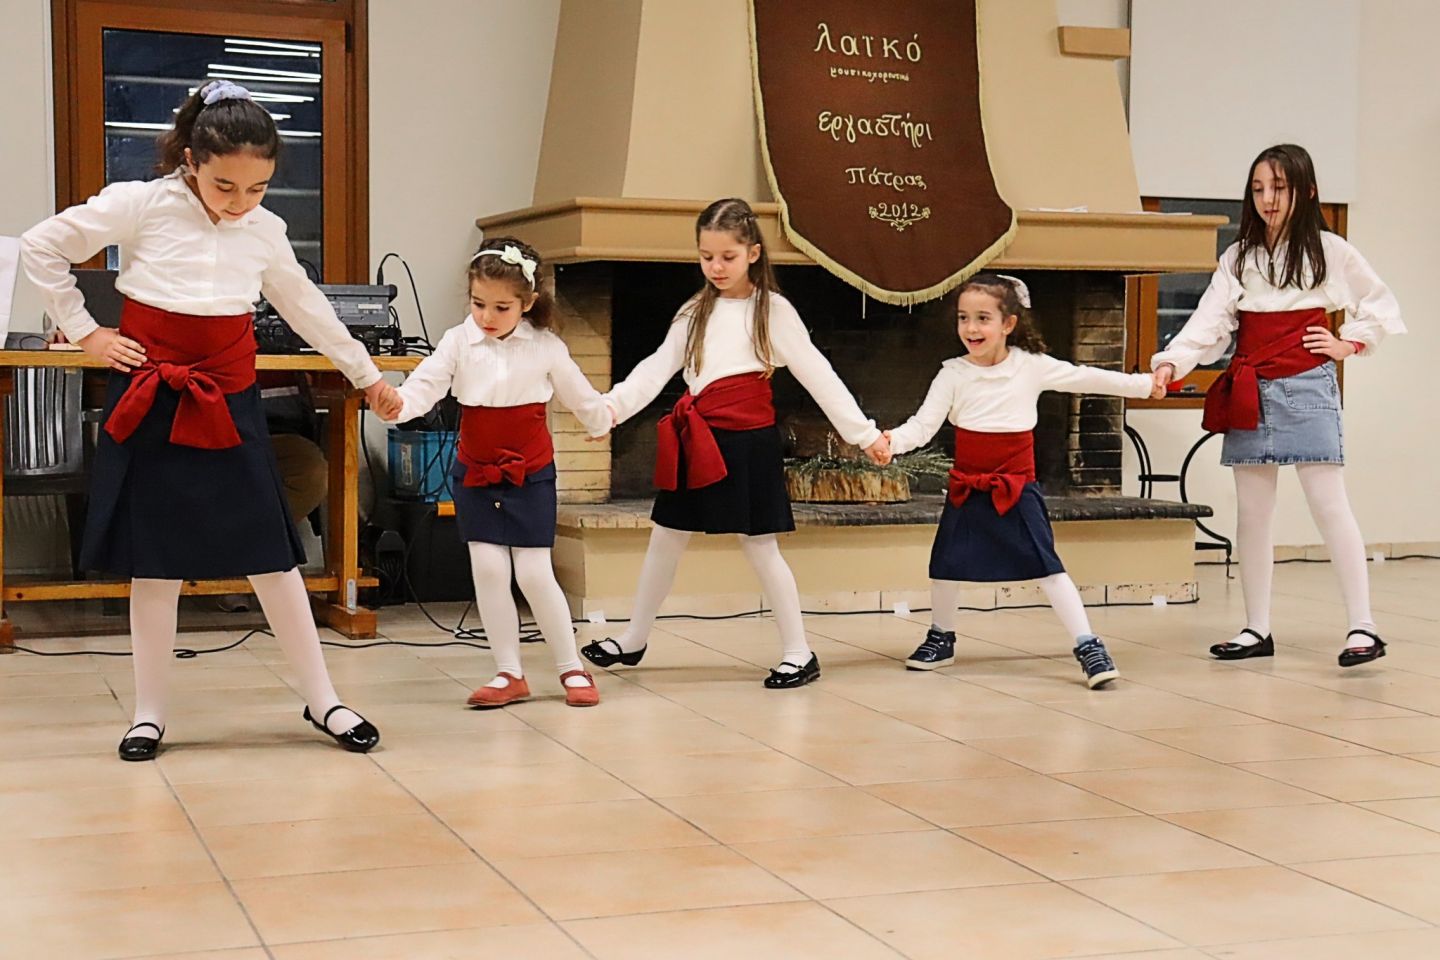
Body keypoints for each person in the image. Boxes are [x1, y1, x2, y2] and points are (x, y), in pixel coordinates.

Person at [20, 79, 402, 760]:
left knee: (273, 556)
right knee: (154, 564)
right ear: (191, 160)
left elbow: (307, 308)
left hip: (228, 399)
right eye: (225, 185)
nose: (240, 202)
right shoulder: (142, 204)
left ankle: (325, 700)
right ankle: (148, 715)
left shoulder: (265, 230)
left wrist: (367, 376)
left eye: (257, 188)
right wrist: (87, 333)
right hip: (151, 395)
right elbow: (40, 246)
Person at [580, 197, 889, 688]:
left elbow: (819, 375)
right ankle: (634, 639)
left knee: (760, 546)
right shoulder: (694, 310)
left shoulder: (773, 311)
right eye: (707, 256)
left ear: (753, 253)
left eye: (727, 256)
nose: (716, 267)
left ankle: (799, 652)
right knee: (665, 537)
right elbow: (656, 368)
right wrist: (610, 410)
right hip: (697, 437)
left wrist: (864, 435)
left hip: (747, 443)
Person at [1152, 143, 1404, 668]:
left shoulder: (1331, 250)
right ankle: (1256, 627)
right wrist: (1172, 364)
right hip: (1251, 385)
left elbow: (1378, 302)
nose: (1268, 199)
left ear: (1306, 192)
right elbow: (1209, 322)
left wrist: (1348, 344)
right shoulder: (1238, 257)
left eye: (1280, 188)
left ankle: (1364, 626)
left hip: (1308, 384)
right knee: (1253, 512)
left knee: (1329, 504)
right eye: (1259, 188)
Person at [885, 273, 1163, 688]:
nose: (971, 328)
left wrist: (1145, 385)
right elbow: (922, 426)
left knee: (1048, 566)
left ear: (1008, 323)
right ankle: (941, 637)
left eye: (983, 318)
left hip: (1015, 487)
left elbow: (1088, 376)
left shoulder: (1031, 366)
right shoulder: (952, 374)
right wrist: (890, 443)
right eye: (963, 318)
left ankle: (1088, 644)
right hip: (968, 486)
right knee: (945, 564)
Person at [389, 237, 611, 707]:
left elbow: (580, 393)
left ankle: (571, 666)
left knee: (533, 572)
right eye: (478, 304)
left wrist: (599, 422)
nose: (487, 316)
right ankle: (509, 672)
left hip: (529, 473)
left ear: (527, 303)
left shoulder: (546, 347)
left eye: (501, 307)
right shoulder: (458, 341)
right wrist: (399, 404)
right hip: (475, 472)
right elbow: (426, 384)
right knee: (489, 569)